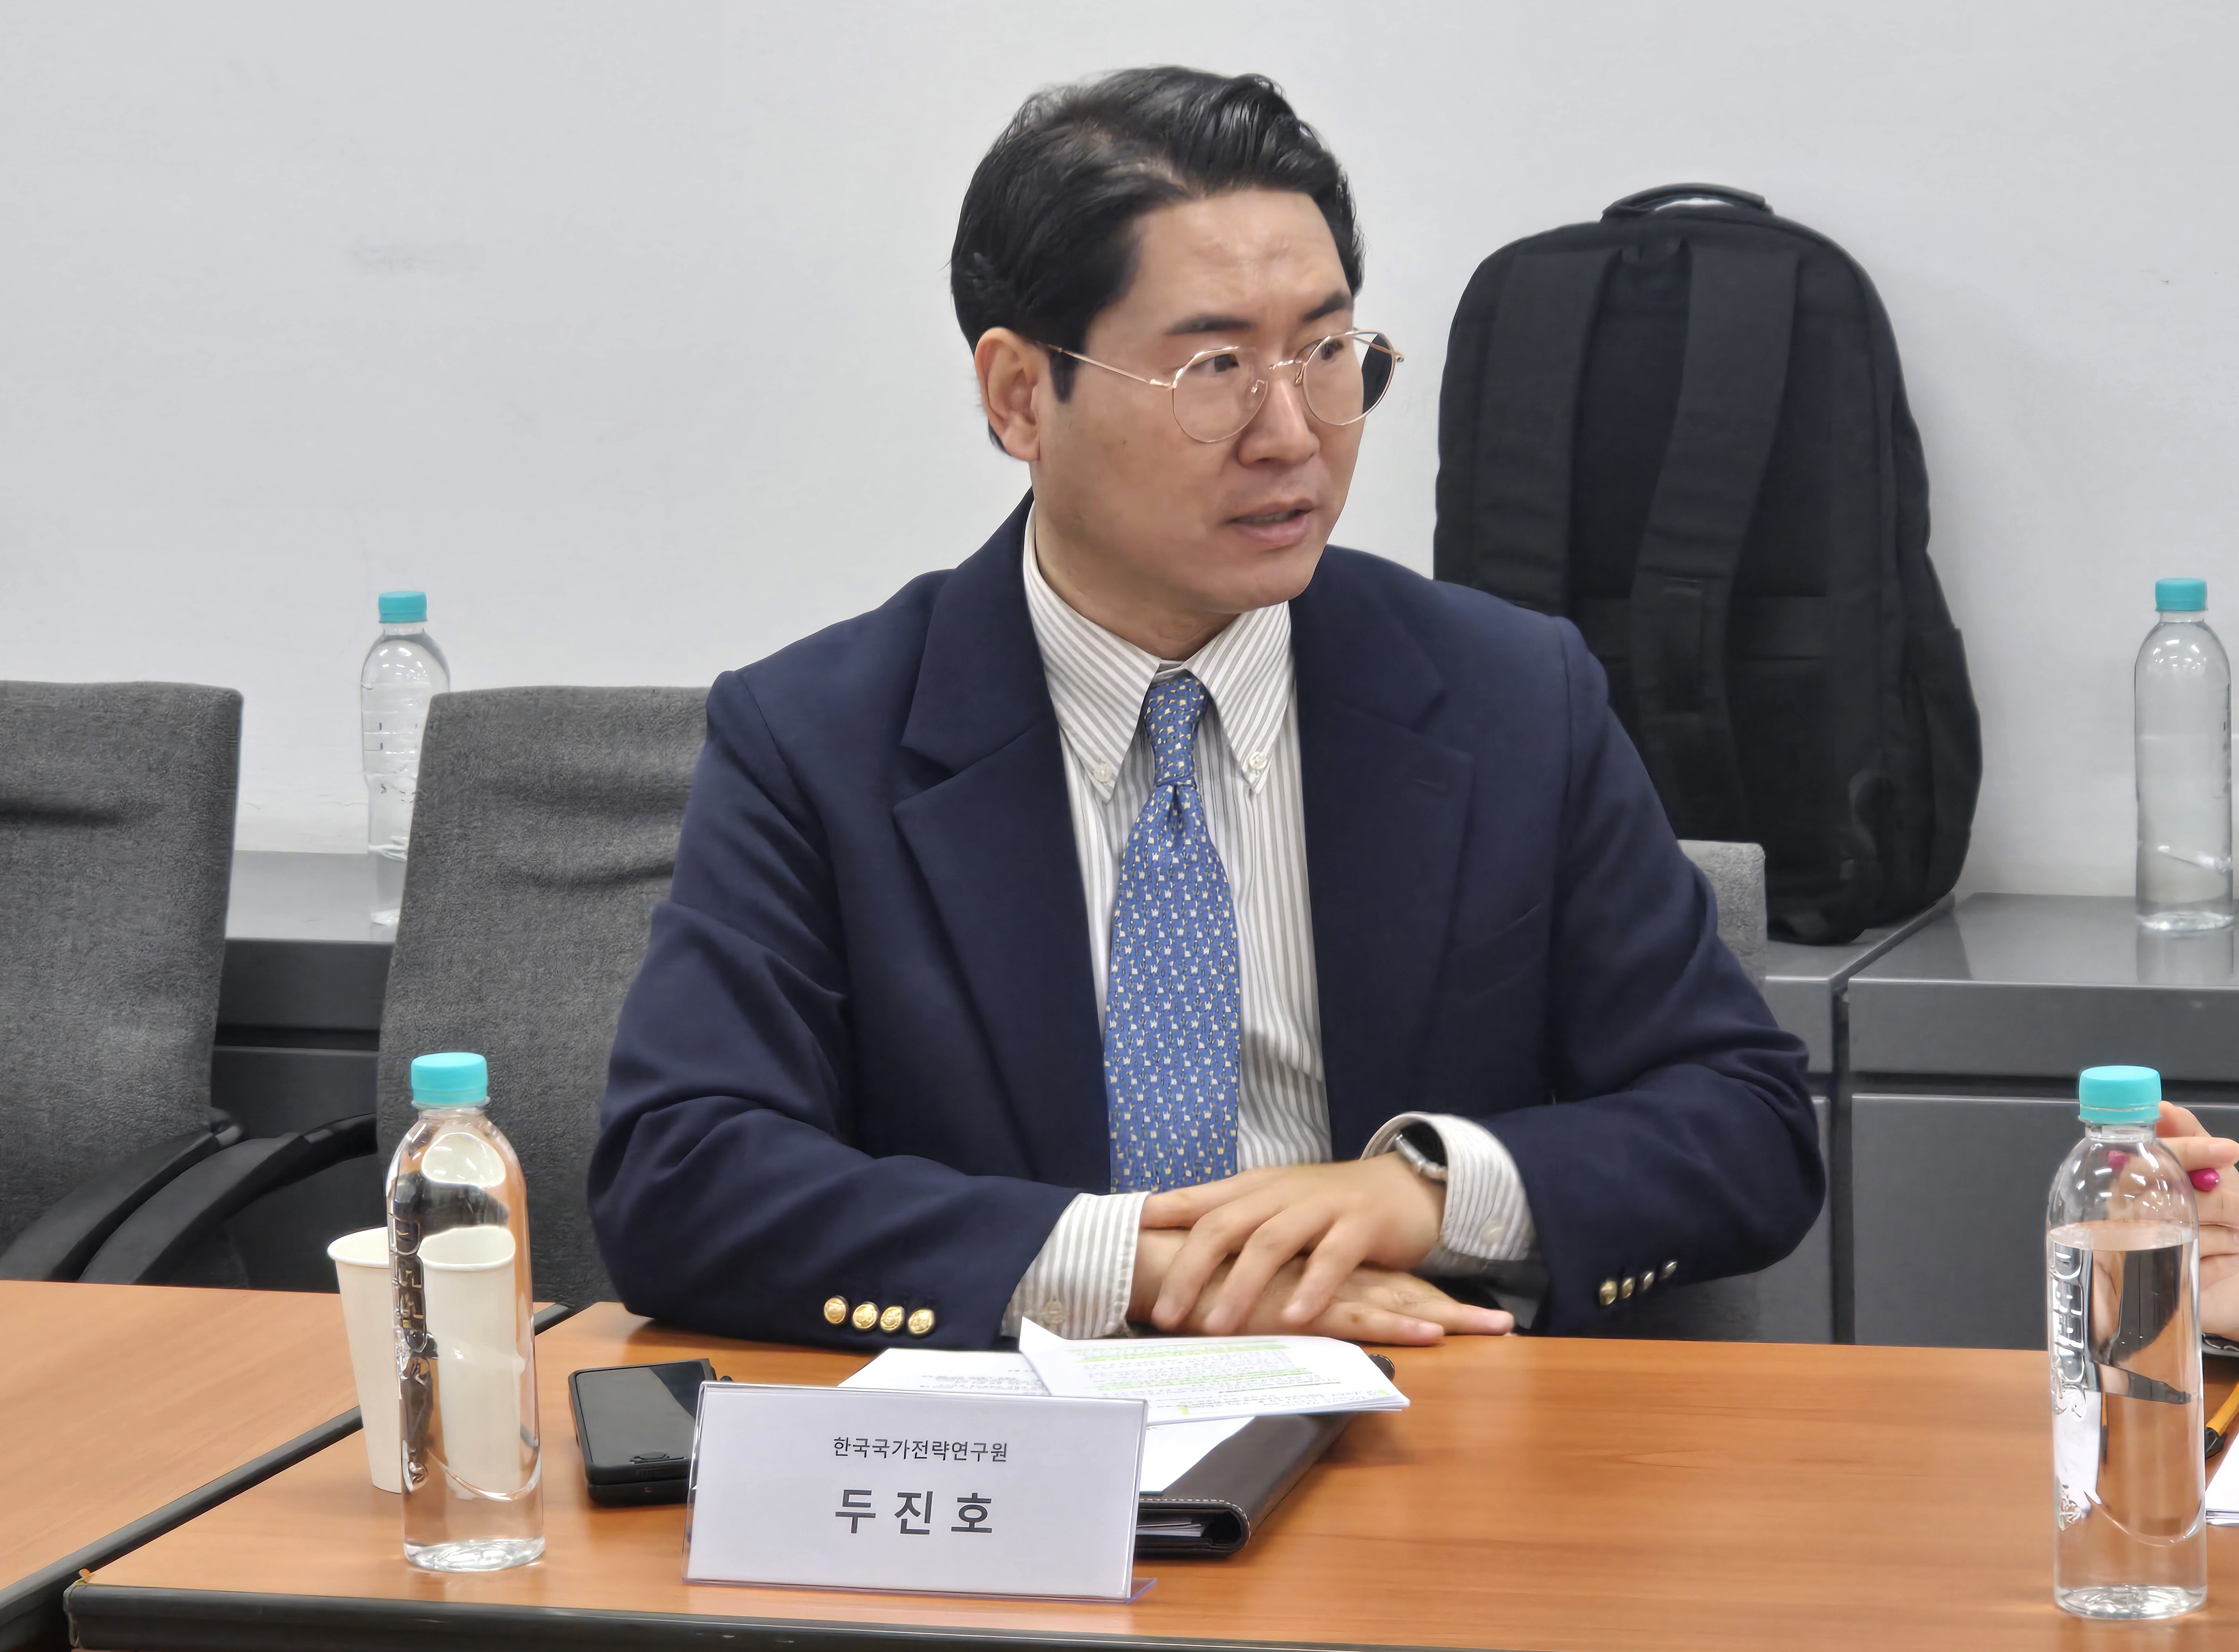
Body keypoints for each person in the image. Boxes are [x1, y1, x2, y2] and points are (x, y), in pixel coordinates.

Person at [589, 66, 1826, 1352]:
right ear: (1020, 397)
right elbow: (684, 1175)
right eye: (1214, 366)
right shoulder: (815, 739)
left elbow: (1740, 1120)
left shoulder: (1511, 696)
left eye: (1326, 353)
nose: (1291, 433)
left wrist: (1421, 1194)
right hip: (1015, 1433)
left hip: (1425, 1407)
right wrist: (1134, 1266)